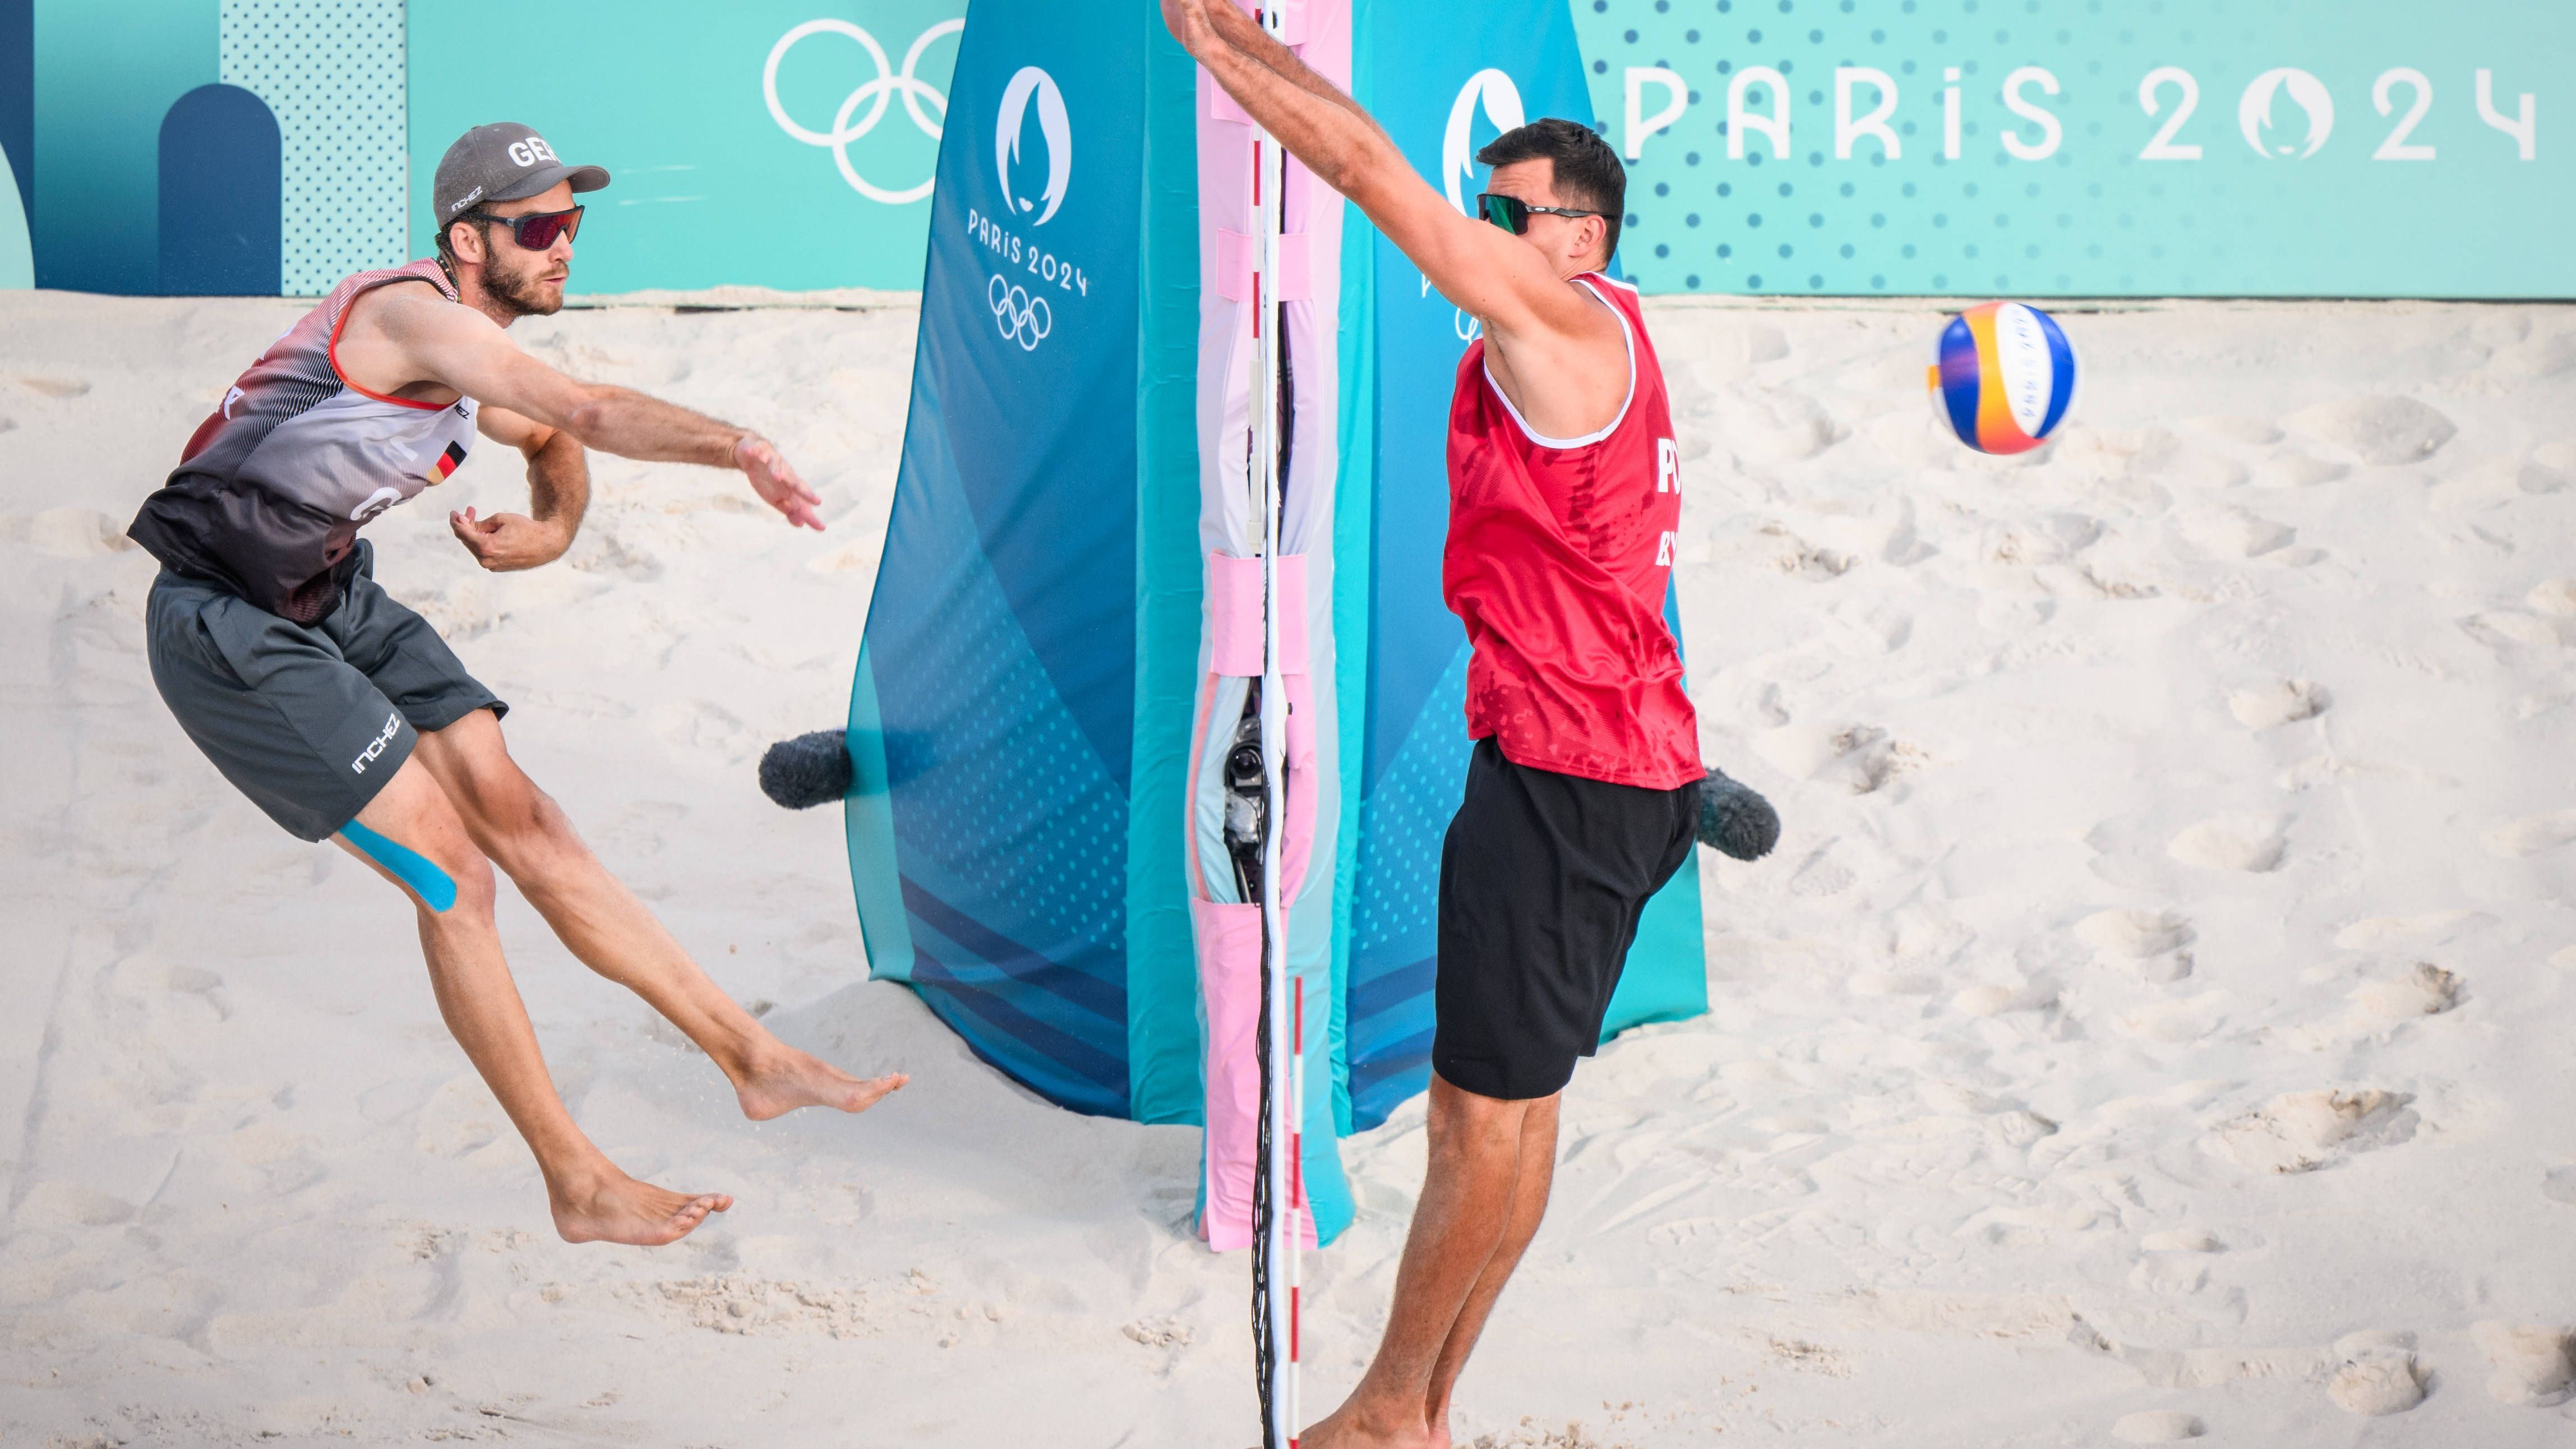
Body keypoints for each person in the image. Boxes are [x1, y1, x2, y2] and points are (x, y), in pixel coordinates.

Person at [125, 122, 906, 1248]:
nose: (563, 248)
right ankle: (576, 1180)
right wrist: (736, 445)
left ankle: (755, 1055)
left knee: (528, 819)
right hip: (223, 623)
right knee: (454, 878)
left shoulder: (467, 351)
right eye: (538, 227)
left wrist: (554, 524)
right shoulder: (408, 316)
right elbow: (583, 406)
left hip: (331, 589)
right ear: (465, 237)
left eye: (573, 223)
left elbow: (548, 434)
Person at [1160, 7, 1706, 1446]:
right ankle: (1431, 1403)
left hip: (1564, 779)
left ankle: (1389, 1405)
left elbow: (1369, 176)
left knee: (1479, 1122)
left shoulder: (1559, 326)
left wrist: (1218, 52)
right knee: (1516, 1120)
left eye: (1507, 212)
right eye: (1486, 205)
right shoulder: (1621, 326)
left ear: (1579, 241)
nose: (1480, 225)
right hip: (1627, 778)